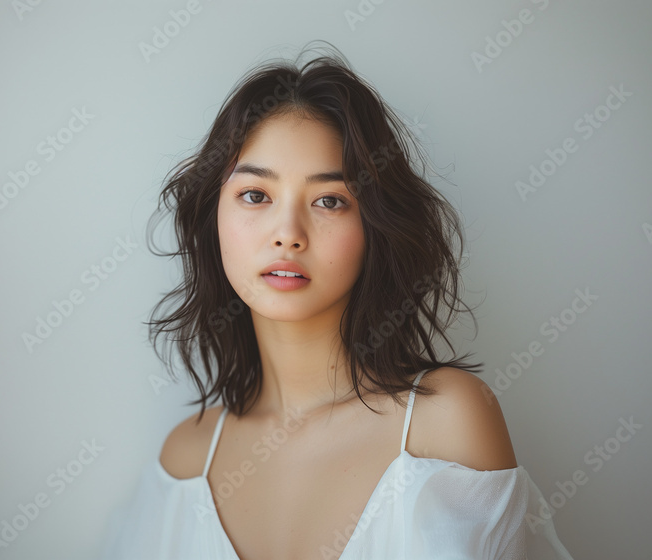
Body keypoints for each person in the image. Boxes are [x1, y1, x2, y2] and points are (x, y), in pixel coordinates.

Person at [100, 41, 575, 559]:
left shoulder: (445, 426)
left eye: (330, 200)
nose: (288, 233)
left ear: (374, 225)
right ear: (213, 217)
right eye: (255, 195)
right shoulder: (186, 461)